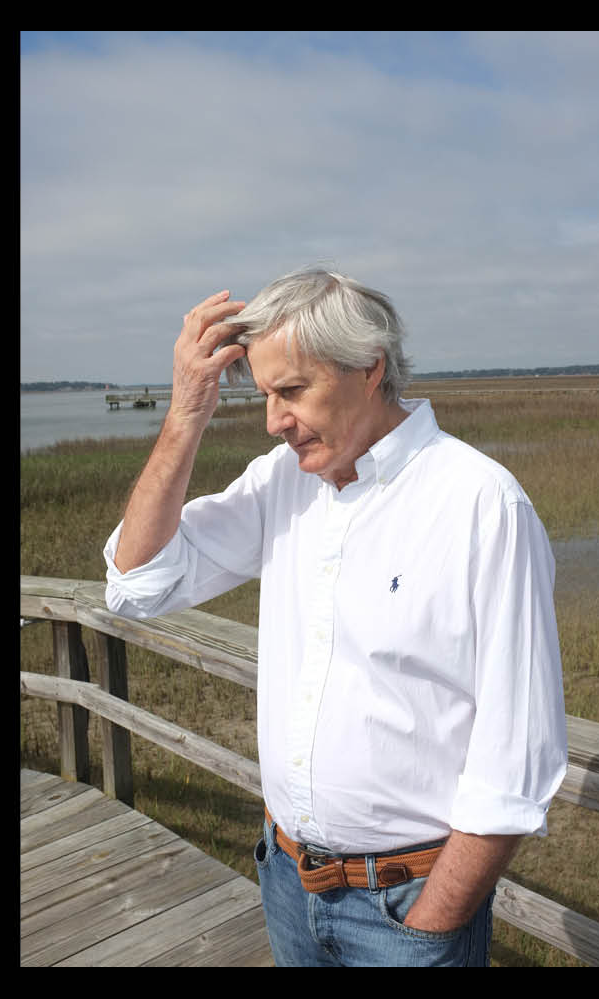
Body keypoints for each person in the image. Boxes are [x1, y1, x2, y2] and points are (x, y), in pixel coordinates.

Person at [103, 268, 567, 967]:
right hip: (287, 881)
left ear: (370, 369)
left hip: (408, 907)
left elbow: (518, 756)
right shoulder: (282, 481)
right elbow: (136, 585)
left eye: (292, 391)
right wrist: (185, 414)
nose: (273, 421)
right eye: (264, 396)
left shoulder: (481, 505)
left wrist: (429, 929)